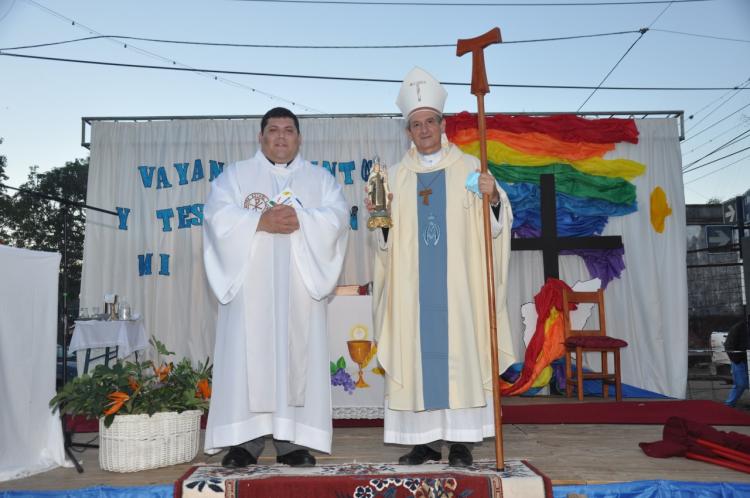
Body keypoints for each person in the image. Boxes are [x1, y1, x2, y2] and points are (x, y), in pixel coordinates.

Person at [371, 67, 516, 467]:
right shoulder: (395, 178)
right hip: (413, 292)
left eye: (429, 122)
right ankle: (424, 441)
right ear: (408, 131)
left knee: (461, 357)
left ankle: (462, 440)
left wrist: (493, 200)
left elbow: (498, 227)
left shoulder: (471, 169)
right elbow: (383, 244)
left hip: (458, 290)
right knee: (417, 360)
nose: (423, 129)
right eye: (415, 124)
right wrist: (380, 223)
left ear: (442, 124)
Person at [203, 107, 349, 467]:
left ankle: (291, 442)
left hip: (299, 289)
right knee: (245, 359)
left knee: (294, 356)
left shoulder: (320, 180)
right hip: (249, 289)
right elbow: (216, 217)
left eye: (288, 130)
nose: (281, 136)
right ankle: (245, 441)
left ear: (299, 138)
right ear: (261, 136)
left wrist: (303, 219)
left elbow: (338, 217)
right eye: (273, 130)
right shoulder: (235, 176)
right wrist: (259, 221)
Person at [724, 318, 749, 408]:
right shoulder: (738, 328)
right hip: (740, 361)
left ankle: (729, 404)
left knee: (741, 384)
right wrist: (736, 359)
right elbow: (728, 345)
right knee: (740, 384)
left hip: (746, 360)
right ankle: (729, 405)